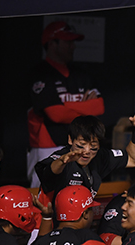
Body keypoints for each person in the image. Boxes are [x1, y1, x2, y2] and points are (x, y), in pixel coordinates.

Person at [27, 21, 105, 187]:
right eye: (68, 42)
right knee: (43, 192)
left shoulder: (81, 74)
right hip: (47, 146)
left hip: (78, 144)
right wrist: (85, 107)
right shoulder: (40, 73)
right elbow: (56, 114)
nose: (73, 46)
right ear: (52, 44)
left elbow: (99, 107)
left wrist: (66, 108)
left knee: (75, 192)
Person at [35, 102, 135, 202]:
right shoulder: (62, 158)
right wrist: (62, 161)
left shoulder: (100, 156)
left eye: (93, 147)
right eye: (81, 145)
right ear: (70, 140)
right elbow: (48, 172)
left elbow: (133, 159)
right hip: (51, 221)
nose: (86, 151)